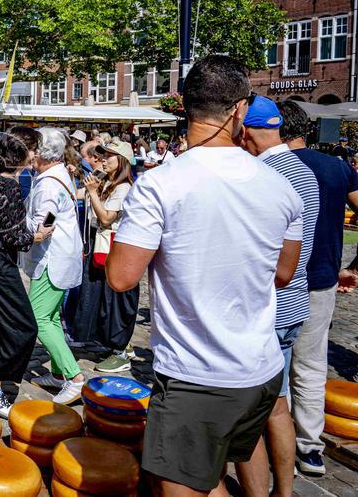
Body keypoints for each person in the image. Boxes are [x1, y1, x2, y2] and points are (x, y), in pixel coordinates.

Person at [106, 56, 303, 497]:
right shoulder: (281, 185)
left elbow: (121, 277)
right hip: (261, 367)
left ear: (184, 107)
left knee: (180, 482)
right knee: (234, 458)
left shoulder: (160, 184)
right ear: (239, 109)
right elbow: (284, 274)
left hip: (196, 373)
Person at [237, 97, 319, 497]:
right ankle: (284, 491)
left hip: (266, 307)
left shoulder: (262, 176)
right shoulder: (304, 171)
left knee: (246, 414)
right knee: (278, 405)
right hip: (295, 303)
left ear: (246, 132)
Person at [277, 99, 358, 476]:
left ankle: (276, 443)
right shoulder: (336, 167)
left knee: (275, 366)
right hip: (321, 279)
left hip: (281, 281)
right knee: (311, 366)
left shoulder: (273, 168)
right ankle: (309, 448)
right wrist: (353, 267)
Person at [0, 126, 53, 418]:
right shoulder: (9, 185)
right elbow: (14, 236)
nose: (36, 154)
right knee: (25, 328)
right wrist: (38, 236)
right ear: (22, 152)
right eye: (34, 149)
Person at [23, 128, 85, 404]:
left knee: (38, 318)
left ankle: (74, 377)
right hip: (61, 253)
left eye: (33, 150)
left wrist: (18, 227)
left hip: (52, 258)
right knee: (50, 317)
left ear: (42, 154)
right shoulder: (57, 174)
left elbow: (44, 223)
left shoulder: (48, 183)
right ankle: (60, 373)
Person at [71, 139, 137, 373]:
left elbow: (107, 218)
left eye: (109, 156)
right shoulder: (106, 181)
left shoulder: (123, 187)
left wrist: (92, 191)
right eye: (103, 155)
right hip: (98, 245)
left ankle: (121, 350)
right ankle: (109, 342)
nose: (103, 160)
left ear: (122, 160)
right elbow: (79, 195)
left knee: (114, 300)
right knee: (98, 296)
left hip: (112, 247)